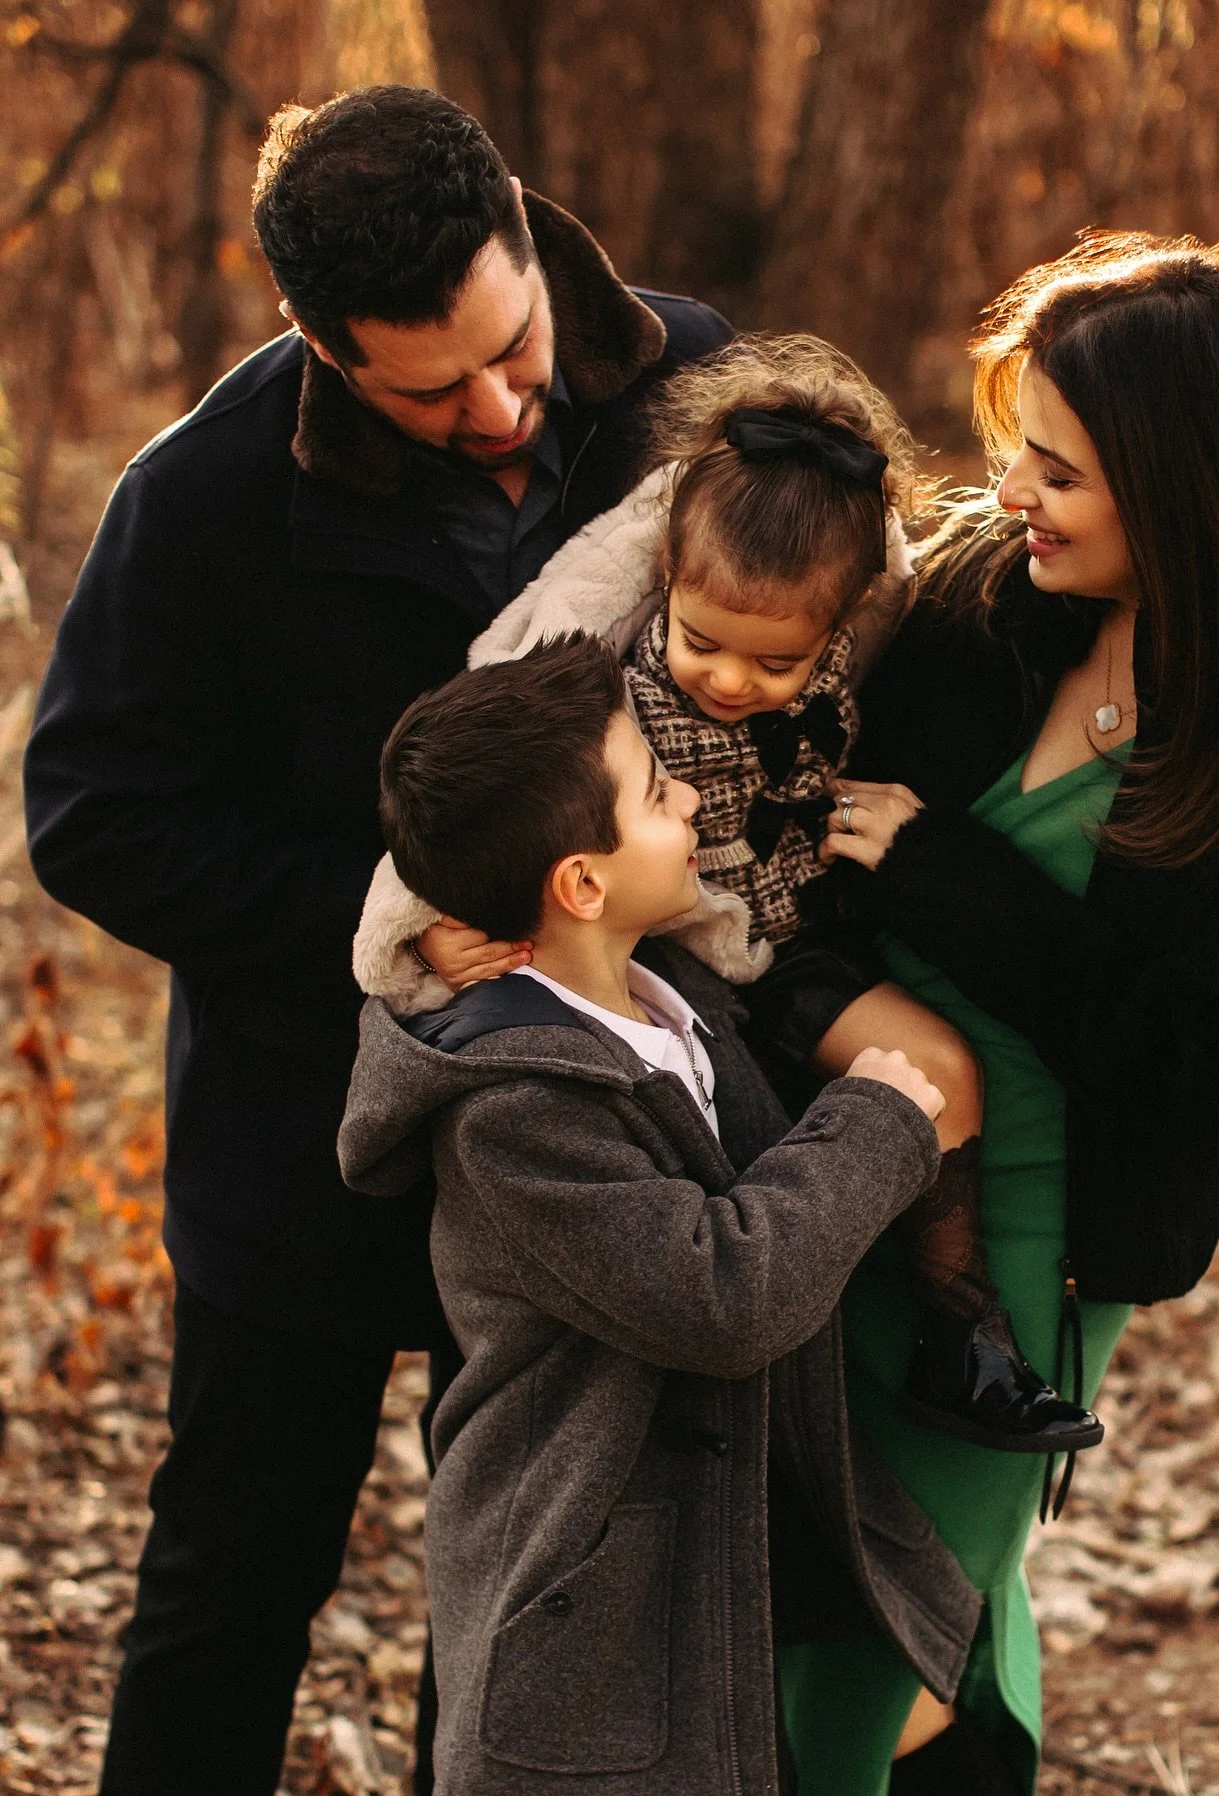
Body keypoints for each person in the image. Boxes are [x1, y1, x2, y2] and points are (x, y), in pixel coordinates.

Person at [22, 85, 731, 1796]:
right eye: (433, 389)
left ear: (522, 219)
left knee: (516, 1610)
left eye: (514, 347)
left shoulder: (696, 377)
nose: (500, 408)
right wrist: (393, 932)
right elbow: (93, 812)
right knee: (228, 1591)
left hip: (592, 1138)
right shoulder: (194, 501)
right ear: (324, 349)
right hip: (302, 1154)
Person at [770, 235, 1219, 1794]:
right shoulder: (979, 600)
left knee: (899, 1615)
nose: (1013, 492)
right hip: (820, 1159)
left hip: (1019, 1251)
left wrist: (943, 873)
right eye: (1016, 448)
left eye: (1058, 469)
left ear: (1188, 482)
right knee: (805, 1592)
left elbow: (1193, 1058)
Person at [354, 333, 1101, 1457]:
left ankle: (965, 1339)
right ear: (668, 582)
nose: (732, 681)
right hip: (660, 956)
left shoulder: (863, 612)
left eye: (779, 665)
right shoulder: (600, 653)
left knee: (942, 1071)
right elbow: (471, 765)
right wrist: (415, 940)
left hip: (789, 938)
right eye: (704, 643)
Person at [338, 631, 982, 1795]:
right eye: (654, 787)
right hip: (584, 1613)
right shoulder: (512, 1106)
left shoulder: (670, 993)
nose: (691, 793)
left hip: (703, 1573)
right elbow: (722, 1291)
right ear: (581, 881)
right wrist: (877, 1118)